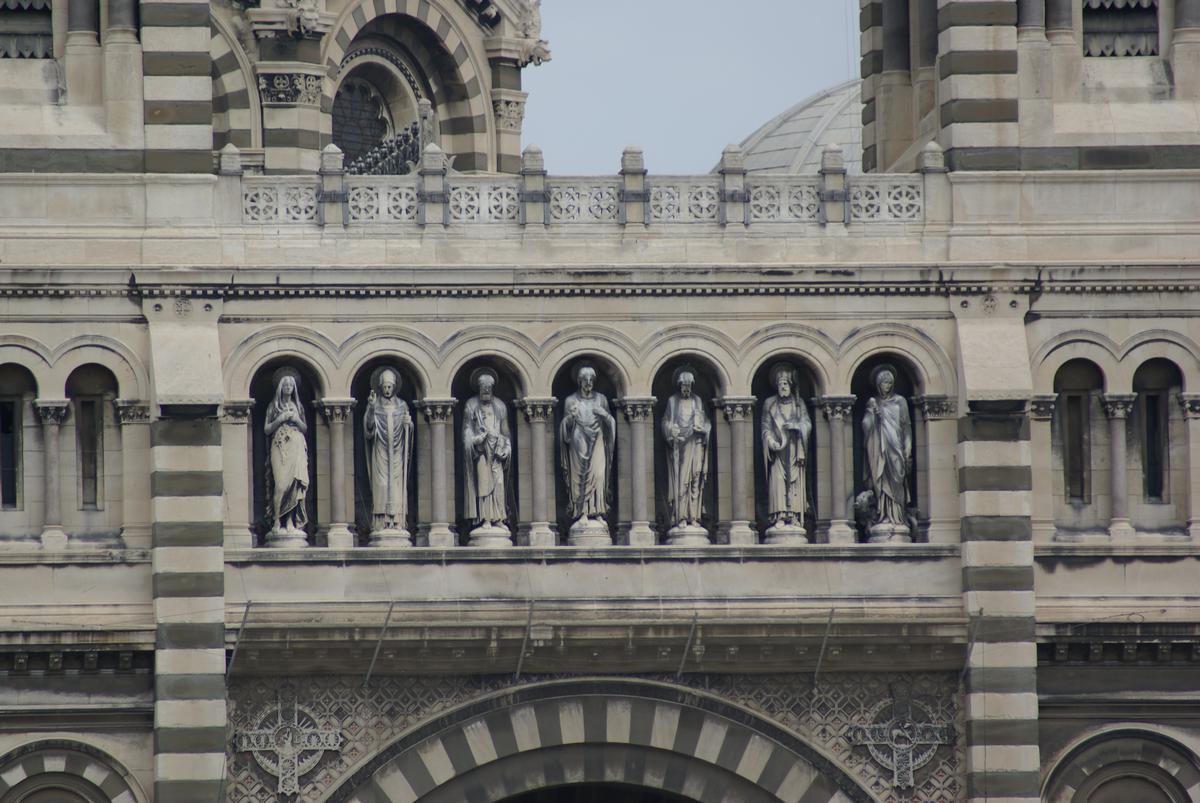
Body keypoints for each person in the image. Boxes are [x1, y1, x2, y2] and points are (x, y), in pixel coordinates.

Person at [560, 365, 615, 527]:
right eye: (585, 380)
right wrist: (571, 417)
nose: (588, 383)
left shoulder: (601, 399)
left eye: (591, 380)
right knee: (580, 476)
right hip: (578, 442)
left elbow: (611, 422)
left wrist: (604, 415)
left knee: (598, 475)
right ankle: (582, 511)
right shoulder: (571, 400)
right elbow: (565, 427)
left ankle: (598, 510)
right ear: (579, 381)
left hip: (598, 440)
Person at [761, 364, 811, 533]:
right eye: (780, 384)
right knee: (778, 482)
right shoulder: (770, 404)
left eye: (786, 384)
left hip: (795, 450)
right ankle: (780, 514)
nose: (783, 387)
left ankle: (795, 515)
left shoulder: (799, 404)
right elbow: (765, 427)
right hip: (778, 451)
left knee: (795, 482)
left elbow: (807, 423)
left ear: (791, 385)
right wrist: (770, 441)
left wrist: (798, 427)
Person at [363, 368, 413, 535]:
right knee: (382, 486)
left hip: (397, 451)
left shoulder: (402, 405)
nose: (387, 390)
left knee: (397, 486)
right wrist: (370, 408)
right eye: (384, 387)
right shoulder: (375, 405)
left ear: (395, 387)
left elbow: (409, 430)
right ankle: (381, 522)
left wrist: (409, 425)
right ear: (380, 387)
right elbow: (368, 429)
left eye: (390, 387)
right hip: (380, 450)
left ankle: (398, 521)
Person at [862, 366, 912, 530]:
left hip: (896, 447)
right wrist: (874, 416)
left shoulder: (900, 401)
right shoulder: (873, 402)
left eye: (890, 383)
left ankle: (898, 516)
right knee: (881, 479)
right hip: (879, 448)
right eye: (884, 383)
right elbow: (866, 427)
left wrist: (908, 449)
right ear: (878, 384)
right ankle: (883, 514)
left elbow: (906, 427)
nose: (887, 386)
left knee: (897, 480)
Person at [462, 370, 511, 532]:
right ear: (478, 387)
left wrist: (505, 448)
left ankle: (498, 518)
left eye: (489, 387)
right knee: (483, 484)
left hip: (496, 451)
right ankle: (485, 519)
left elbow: (506, 432)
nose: (486, 390)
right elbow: (467, 431)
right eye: (483, 386)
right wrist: (476, 440)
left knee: (499, 483)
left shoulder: (500, 406)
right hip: (481, 452)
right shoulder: (471, 405)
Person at [662, 370, 710, 530]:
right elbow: (666, 422)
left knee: (695, 479)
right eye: (684, 385)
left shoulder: (697, 401)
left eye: (689, 386)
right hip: (680, 447)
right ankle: (681, 517)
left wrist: (703, 429)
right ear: (679, 385)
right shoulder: (672, 401)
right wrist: (671, 430)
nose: (686, 389)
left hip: (695, 444)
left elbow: (705, 423)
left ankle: (694, 517)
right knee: (682, 482)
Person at [265, 370, 309, 538]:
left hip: (297, 445)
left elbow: (304, 428)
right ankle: (276, 520)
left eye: (291, 385)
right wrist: (281, 419)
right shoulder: (273, 406)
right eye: (286, 385)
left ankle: (290, 521)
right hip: (280, 445)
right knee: (281, 484)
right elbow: (266, 429)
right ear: (280, 387)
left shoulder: (298, 406)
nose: (289, 387)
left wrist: (296, 419)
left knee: (294, 485)